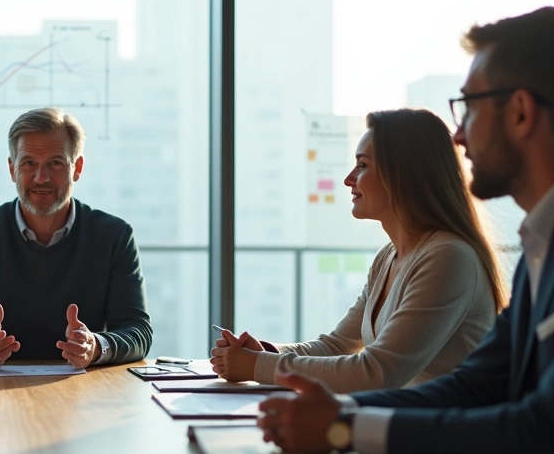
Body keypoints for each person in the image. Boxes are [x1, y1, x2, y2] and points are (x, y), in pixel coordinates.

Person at [257, 7, 554, 454]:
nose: (458, 136)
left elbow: (552, 431)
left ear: (521, 112)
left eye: (470, 108)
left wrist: (346, 428)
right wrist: (338, 415)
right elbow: (475, 387)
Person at [210, 108, 506, 393]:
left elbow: (377, 373)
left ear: (402, 174)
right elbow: (337, 346)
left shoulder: (448, 258)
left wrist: (259, 366)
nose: (349, 179)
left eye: (362, 165)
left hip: (445, 438)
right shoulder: (388, 257)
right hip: (402, 428)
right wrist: (266, 353)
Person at [0, 107, 152, 368]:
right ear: (12, 169)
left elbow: (138, 332)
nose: (41, 178)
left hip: (85, 396)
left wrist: (96, 346)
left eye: (55, 163)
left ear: (77, 168)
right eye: (29, 163)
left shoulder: (114, 236)